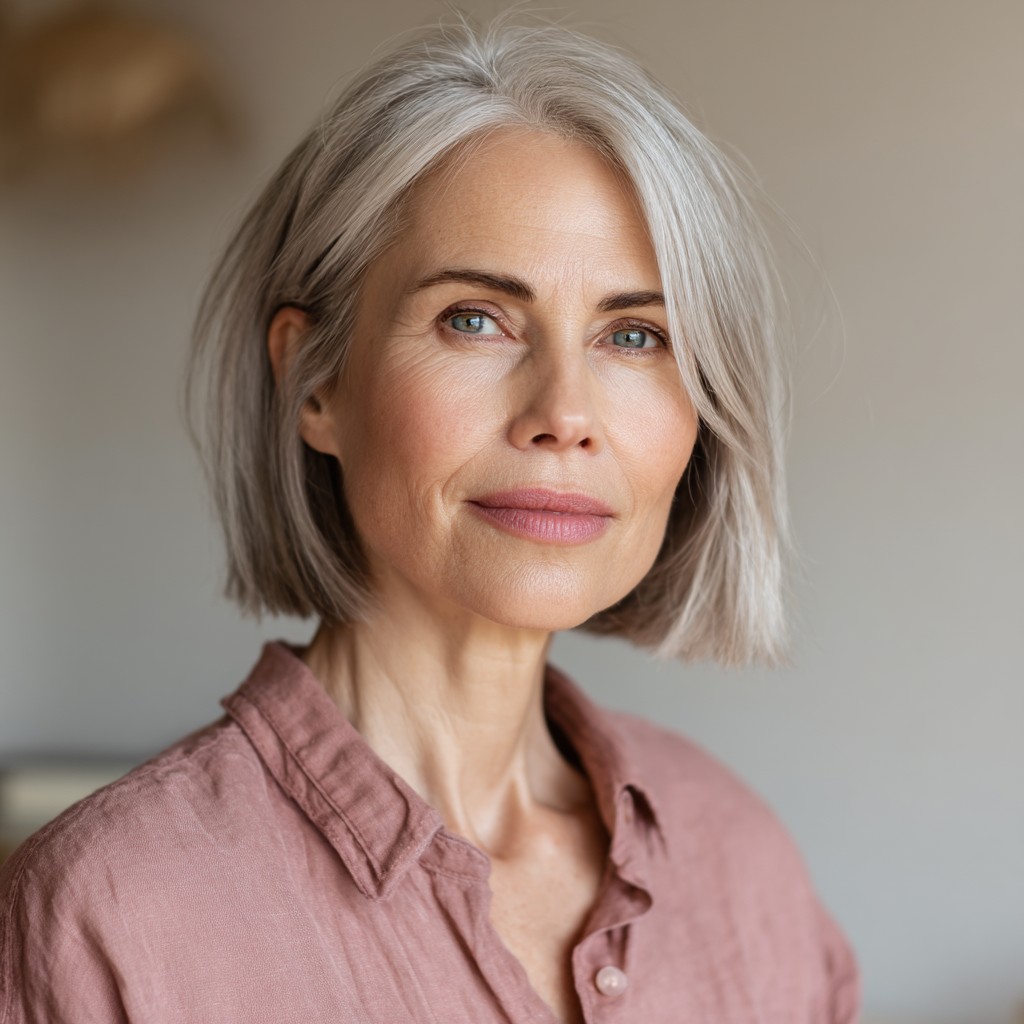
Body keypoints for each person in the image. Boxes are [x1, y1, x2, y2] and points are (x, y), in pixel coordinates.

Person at [0, 18, 859, 1024]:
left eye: (634, 335)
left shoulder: (737, 856)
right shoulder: (117, 911)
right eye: (475, 318)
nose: (565, 415)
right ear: (315, 380)